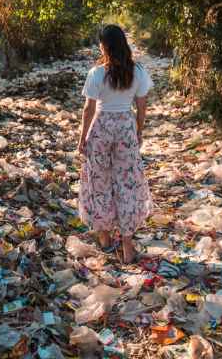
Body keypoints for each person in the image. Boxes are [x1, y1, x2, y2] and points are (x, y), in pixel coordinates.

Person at [78, 24, 153, 263]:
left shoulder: (96, 73)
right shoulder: (138, 71)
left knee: (99, 181)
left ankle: (105, 239)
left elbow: (89, 109)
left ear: (104, 46)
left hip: (101, 129)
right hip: (125, 127)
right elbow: (142, 107)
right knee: (126, 183)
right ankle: (128, 246)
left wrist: (82, 138)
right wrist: (138, 131)